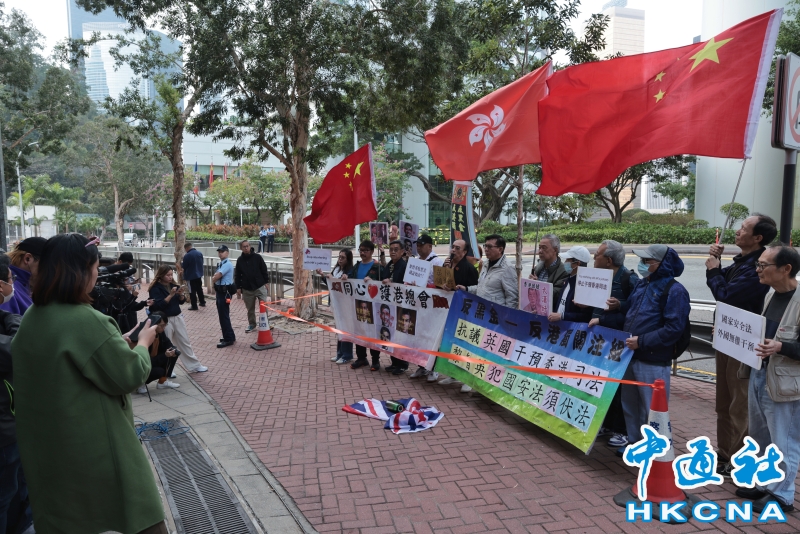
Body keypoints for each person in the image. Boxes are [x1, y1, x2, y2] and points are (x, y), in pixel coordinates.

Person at [12, 233, 167, 534]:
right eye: (95, 267)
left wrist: (115, 344)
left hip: (52, 451)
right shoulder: (85, 320)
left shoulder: (33, 316)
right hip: (96, 450)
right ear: (81, 271)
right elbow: (129, 375)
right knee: (142, 519)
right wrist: (143, 343)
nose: (97, 274)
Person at [706, 214, 776, 477]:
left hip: (743, 342)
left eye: (744, 228)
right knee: (723, 402)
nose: (737, 231)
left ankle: (738, 458)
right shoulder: (742, 263)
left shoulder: (757, 269)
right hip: (727, 337)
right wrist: (717, 264)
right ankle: (724, 452)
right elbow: (724, 283)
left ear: (757, 237)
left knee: (739, 404)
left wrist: (713, 270)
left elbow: (724, 294)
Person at [735, 244, 800, 513]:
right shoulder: (771, 294)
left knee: (784, 438)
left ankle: (782, 494)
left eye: (763, 265)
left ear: (786, 269)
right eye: (758, 264)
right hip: (760, 372)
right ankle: (764, 483)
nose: (758, 270)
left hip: (785, 382)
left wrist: (781, 347)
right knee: (760, 434)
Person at [612, 244, 690, 456]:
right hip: (631, 354)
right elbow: (633, 309)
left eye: (647, 261)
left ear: (662, 264)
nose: (643, 264)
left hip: (653, 359)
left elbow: (674, 329)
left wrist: (642, 341)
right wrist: (619, 305)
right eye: (643, 260)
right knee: (630, 403)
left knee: (652, 409)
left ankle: (657, 451)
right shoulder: (643, 284)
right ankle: (635, 443)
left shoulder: (675, 291)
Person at [588, 240, 639, 449]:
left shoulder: (629, 280)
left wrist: (620, 306)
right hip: (600, 339)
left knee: (619, 387)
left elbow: (635, 311)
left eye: (597, 255)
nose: (594, 258)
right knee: (603, 382)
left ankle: (622, 430)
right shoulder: (597, 277)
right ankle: (607, 424)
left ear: (608, 260)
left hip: (619, 342)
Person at [457, 234, 518, 393]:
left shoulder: (507, 269)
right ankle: (473, 379)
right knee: (478, 348)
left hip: (497, 319)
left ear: (500, 249)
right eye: (485, 246)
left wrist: (507, 319)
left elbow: (512, 297)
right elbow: (481, 287)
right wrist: (467, 289)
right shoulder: (485, 265)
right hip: (481, 315)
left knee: (490, 352)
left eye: (490, 246)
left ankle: (485, 384)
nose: (486, 249)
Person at [0, 254, 31, 534]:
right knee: (5, 496)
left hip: (11, 425)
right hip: (5, 431)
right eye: (11, 280)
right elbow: (18, 348)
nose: (14, 286)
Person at [436, 240, 481, 386]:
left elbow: (475, 291)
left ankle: (468, 379)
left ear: (464, 252)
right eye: (453, 247)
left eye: (457, 248)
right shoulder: (447, 264)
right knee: (452, 342)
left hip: (465, 312)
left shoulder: (469, 269)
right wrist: (445, 273)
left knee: (465, 344)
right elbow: (439, 283)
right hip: (449, 310)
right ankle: (453, 374)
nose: (453, 250)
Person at [148, 265, 208, 373]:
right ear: (161, 275)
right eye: (167, 275)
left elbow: (181, 302)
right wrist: (170, 295)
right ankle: (168, 369)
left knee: (184, 341)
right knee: (167, 345)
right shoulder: (155, 288)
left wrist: (181, 295)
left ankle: (194, 365)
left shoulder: (174, 285)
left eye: (171, 274)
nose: (170, 277)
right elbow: (158, 306)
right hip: (164, 320)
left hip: (177, 316)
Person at [408, 234, 446, 380]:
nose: (418, 248)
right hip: (419, 305)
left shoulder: (437, 262)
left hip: (433, 307)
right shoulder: (417, 261)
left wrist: (425, 286)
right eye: (417, 245)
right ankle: (422, 366)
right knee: (420, 337)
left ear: (430, 246)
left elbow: (441, 286)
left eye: (421, 245)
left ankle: (434, 369)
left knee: (433, 338)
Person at [342, 240, 382, 371]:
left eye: (366, 250)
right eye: (361, 250)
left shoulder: (377, 266)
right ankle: (361, 358)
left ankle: (375, 360)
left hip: (372, 305)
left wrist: (373, 281)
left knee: (372, 333)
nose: (363, 253)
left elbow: (383, 282)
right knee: (358, 330)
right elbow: (349, 277)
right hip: (357, 304)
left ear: (372, 252)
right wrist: (345, 276)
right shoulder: (357, 266)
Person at [374, 241, 407, 375]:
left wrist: (392, 282)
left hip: (400, 304)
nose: (393, 252)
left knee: (399, 335)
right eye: (391, 249)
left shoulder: (404, 265)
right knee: (391, 333)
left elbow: (404, 283)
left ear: (402, 251)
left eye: (396, 249)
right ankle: (394, 362)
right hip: (390, 304)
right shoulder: (390, 264)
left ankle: (402, 364)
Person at [317, 249, 355, 364]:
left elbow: (348, 285)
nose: (340, 259)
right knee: (339, 329)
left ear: (348, 259)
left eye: (343, 257)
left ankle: (347, 355)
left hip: (345, 304)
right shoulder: (337, 269)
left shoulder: (350, 271)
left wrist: (344, 278)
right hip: (336, 303)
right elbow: (331, 285)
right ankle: (340, 353)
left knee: (345, 329)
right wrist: (323, 276)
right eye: (339, 257)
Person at [547, 246, 593, 324]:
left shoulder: (584, 286)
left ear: (577, 264)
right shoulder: (568, 280)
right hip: (558, 327)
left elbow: (585, 316)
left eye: (568, 260)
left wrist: (562, 316)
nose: (565, 262)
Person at [0, 237, 46, 315]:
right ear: (27, 259)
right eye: (46, 266)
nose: (49, 272)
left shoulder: (25, 283)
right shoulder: (8, 289)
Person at [135, 315, 180, 393]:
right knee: (159, 371)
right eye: (162, 325)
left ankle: (162, 381)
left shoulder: (160, 333)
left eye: (165, 325)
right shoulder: (144, 336)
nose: (164, 328)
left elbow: (168, 344)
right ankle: (140, 383)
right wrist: (164, 355)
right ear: (154, 324)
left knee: (174, 353)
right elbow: (146, 361)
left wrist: (173, 350)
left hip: (153, 360)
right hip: (142, 365)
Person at [235, 240, 270, 333]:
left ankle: (265, 323)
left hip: (260, 286)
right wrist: (238, 287)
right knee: (250, 309)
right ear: (241, 248)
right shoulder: (240, 260)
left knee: (264, 306)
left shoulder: (257, 257)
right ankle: (252, 324)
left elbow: (264, 269)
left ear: (250, 246)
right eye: (244, 247)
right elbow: (237, 274)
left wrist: (266, 282)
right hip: (247, 288)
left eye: (247, 246)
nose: (246, 248)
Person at [530, 234, 569, 311]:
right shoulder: (538, 268)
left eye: (544, 248)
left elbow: (557, 295)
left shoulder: (563, 271)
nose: (540, 251)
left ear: (555, 250)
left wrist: (538, 286)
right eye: (539, 247)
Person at [212, 244, 236, 348]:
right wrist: (215, 278)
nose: (220, 253)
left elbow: (216, 277)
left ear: (227, 253)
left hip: (224, 293)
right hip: (221, 292)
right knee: (224, 315)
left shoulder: (227, 264)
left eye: (222, 252)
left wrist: (214, 278)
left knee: (223, 316)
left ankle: (228, 339)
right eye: (219, 252)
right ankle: (230, 335)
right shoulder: (222, 263)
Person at [181, 242, 206, 310]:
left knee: (192, 291)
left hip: (190, 276)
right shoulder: (199, 253)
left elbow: (184, 266)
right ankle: (202, 302)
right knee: (199, 289)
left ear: (186, 248)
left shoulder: (187, 255)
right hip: (199, 275)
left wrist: (181, 264)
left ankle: (194, 306)